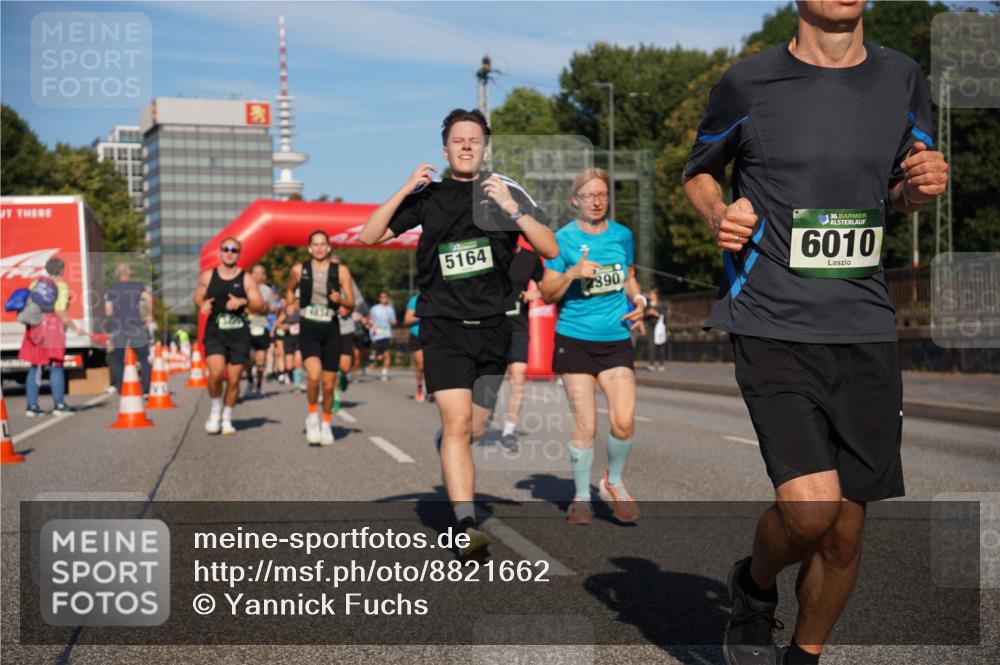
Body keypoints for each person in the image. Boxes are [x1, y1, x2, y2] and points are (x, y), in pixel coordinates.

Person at [681, 3, 949, 663]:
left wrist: (922, 187)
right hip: (772, 316)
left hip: (863, 324)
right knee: (809, 509)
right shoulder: (749, 81)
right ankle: (754, 581)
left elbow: (901, 185)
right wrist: (723, 213)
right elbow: (698, 171)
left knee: (846, 528)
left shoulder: (902, 77)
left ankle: (803, 655)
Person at [361, 108, 558, 560]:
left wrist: (511, 211)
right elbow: (371, 235)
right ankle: (466, 524)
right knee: (455, 424)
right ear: (445, 148)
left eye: (474, 139)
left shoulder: (504, 191)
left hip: (493, 328)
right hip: (443, 326)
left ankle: (452, 449)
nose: (466, 145)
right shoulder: (429, 196)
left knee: (476, 426)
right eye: (457, 140)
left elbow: (549, 247)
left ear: (484, 146)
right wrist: (405, 189)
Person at [539, 168, 646, 526]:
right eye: (589, 195)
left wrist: (641, 299)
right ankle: (581, 498)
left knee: (624, 421)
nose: (597, 201)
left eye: (602, 195)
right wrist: (572, 273)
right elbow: (546, 292)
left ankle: (612, 482)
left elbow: (628, 278)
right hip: (575, 339)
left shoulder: (622, 235)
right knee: (586, 424)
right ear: (575, 200)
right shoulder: (562, 240)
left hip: (615, 338)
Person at [286, 231, 355, 445]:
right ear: (309, 248)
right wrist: (291, 303)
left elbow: (351, 302)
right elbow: (289, 289)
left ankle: (326, 424)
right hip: (309, 328)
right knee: (313, 376)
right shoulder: (299, 269)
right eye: (314, 244)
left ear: (328, 247)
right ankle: (313, 418)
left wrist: (340, 300)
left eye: (322, 244)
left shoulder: (341, 270)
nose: (318, 248)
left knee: (328, 385)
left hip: (331, 329)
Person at [193, 238, 264, 435]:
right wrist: (202, 304)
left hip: (239, 333)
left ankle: (227, 416)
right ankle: (216, 410)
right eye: (226, 249)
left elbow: (259, 305)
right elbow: (198, 295)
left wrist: (243, 300)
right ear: (220, 252)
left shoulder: (246, 279)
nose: (230, 252)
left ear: (239, 254)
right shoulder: (208, 276)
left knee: (234, 380)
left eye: (234, 250)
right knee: (215, 373)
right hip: (215, 331)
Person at [18, 257, 82, 416]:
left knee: (35, 365)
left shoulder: (35, 283)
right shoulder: (61, 286)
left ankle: (32, 407)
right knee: (56, 365)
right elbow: (60, 311)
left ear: (47, 269)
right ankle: (59, 406)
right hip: (53, 329)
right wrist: (75, 327)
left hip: (34, 327)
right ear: (61, 270)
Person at [500, 242, 544, 450]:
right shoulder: (490, 252)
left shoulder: (530, 258)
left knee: (518, 380)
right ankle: (474, 422)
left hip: (518, 327)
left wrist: (537, 294)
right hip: (491, 329)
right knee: (487, 383)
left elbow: (548, 286)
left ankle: (508, 430)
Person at [104, 262, 154, 396]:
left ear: (117, 274)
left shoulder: (112, 289)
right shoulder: (138, 286)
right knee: (143, 358)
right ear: (129, 273)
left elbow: (108, 311)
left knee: (118, 359)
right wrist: (150, 315)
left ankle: (121, 388)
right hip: (136, 326)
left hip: (119, 327)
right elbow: (149, 299)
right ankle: (146, 389)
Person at [246, 264, 276, 398]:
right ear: (251, 274)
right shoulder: (244, 288)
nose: (257, 276)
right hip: (246, 327)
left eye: (260, 273)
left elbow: (274, 309)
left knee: (260, 360)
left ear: (264, 276)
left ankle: (259, 384)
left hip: (261, 327)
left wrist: (261, 308)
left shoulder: (267, 291)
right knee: (247, 358)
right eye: (255, 273)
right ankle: (250, 381)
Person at [274, 301, 304, 392]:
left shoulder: (300, 310)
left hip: (299, 338)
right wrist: (284, 326)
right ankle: (292, 375)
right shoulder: (285, 312)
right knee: (289, 365)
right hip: (288, 338)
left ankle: (297, 384)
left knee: (298, 361)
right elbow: (277, 323)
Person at [368, 290, 396, 381]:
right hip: (376, 334)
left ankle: (384, 372)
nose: (383, 298)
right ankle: (375, 356)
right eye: (382, 297)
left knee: (386, 353)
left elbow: (393, 321)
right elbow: (369, 319)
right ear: (379, 298)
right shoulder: (374, 308)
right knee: (379, 356)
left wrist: (393, 322)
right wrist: (372, 325)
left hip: (386, 333)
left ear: (387, 298)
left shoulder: (390, 309)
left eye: (385, 297)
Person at [403, 291, 425, 402]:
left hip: (436, 335)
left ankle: (433, 389)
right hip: (417, 335)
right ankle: (420, 387)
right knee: (420, 366)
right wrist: (421, 314)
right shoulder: (415, 299)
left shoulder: (439, 296)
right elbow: (406, 319)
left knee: (434, 365)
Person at [642, 288, 668, 371]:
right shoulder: (647, 305)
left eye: (652, 294)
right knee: (651, 345)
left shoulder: (662, 304)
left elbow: (665, 316)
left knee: (660, 345)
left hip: (659, 326)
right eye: (650, 294)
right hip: (650, 326)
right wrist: (647, 313)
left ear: (656, 295)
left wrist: (656, 314)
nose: (650, 295)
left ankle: (661, 364)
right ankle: (651, 364)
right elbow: (643, 316)